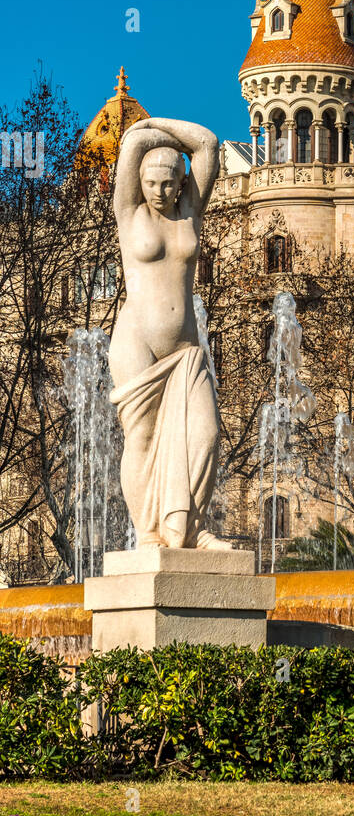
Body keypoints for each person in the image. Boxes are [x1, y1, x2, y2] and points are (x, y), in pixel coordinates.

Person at [109, 116, 226, 550]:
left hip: (186, 349)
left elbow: (207, 144)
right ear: (139, 183)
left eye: (169, 183)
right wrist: (145, 133)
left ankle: (192, 528)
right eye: (151, 183)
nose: (159, 191)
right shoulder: (129, 212)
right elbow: (131, 144)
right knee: (140, 437)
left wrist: (154, 122)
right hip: (136, 340)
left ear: (181, 183)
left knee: (206, 435)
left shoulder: (190, 211)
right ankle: (148, 533)